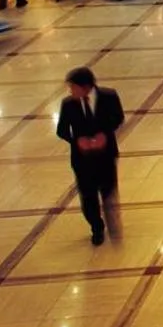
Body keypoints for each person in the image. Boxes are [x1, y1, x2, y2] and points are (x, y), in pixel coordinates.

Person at [56, 66, 124, 246]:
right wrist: (76, 141)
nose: (71, 91)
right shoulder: (68, 104)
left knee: (109, 192)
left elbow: (118, 118)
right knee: (88, 197)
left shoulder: (109, 97)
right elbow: (61, 130)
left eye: (73, 87)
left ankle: (113, 224)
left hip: (105, 156)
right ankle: (96, 227)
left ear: (86, 87)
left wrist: (105, 134)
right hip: (82, 159)